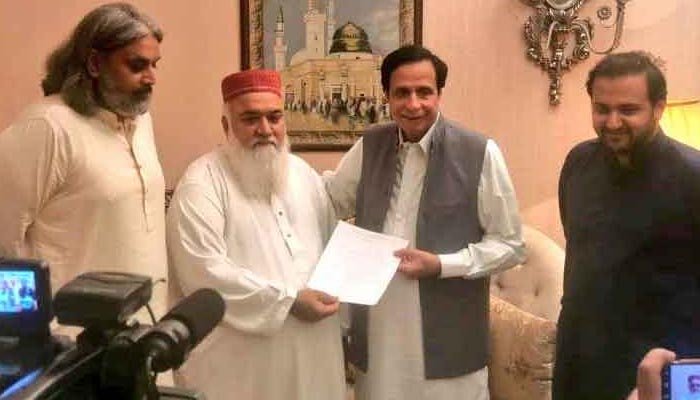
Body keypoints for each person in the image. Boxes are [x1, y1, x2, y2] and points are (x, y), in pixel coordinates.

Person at [325, 44, 526, 400]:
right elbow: (329, 201)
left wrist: (442, 265)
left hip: (450, 332)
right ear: (387, 96)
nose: (413, 104)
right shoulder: (369, 146)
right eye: (402, 93)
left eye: (424, 92)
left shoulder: (479, 152)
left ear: (439, 94)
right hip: (379, 328)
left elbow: (510, 246)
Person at [166, 69, 345, 400]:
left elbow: (330, 245)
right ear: (227, 125)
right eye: (250, 119)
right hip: (239, 366)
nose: (265, 130)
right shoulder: (201, 184)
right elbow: (203, 274)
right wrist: (287, 301)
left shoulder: (303, 175)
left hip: (315, 351)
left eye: (274, 117)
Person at [0, 3, 168, 318]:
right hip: (70, 338)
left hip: (142, 331)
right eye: (137, 65)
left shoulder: (140, 120)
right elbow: (4, 243)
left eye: (155, 65)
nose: (151, 78)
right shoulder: (47, 127)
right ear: (94, 63)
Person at [554, 51, 700, 400]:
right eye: (602, 109)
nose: (613, 122)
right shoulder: (578, 163)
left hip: (656, 374)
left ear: (658, 108)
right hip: (577, 363)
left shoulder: (692, 177)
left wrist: (679, 379)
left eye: (628, 110)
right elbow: (578, 255)